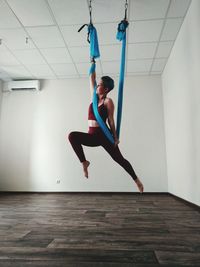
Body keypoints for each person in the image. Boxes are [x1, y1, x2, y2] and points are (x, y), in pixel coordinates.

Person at [68, 60, 144, 193]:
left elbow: (111, 120)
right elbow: (91, 78)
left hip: (104, 136)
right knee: (72, 136)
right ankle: (84, 162)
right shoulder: (94, 99)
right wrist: (92, 63)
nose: (97, 86)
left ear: (106, 89)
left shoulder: (108, 102)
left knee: (119, 159)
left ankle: (136, 180)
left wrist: (115, 137)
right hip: (92, 136)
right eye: (97, 84)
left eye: (100, 85)